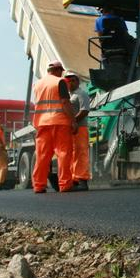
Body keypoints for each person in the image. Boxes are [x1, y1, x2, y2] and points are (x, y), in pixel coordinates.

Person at [31, 60, 77, 193]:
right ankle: (65, 184)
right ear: (57, 70)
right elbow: (65, 102)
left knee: (42, 156)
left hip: (42, 123)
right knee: (63, 154)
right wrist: (73, 120)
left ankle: (38, 185)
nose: (61, 74)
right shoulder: (60, 82)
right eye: (61, 71)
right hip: (59, 123)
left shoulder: (37, 84)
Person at [64, 71, 91, 191]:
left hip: (80, 128)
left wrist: (73, 121)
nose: (70, 82)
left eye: (73, 80)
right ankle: (74, 179)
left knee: (81, 153)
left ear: (78, 82)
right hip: (71, 129)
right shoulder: (68, 95)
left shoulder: (81, 94)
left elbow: (84, 110)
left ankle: (82, 180)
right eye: (68, 80)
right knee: (73, 154)